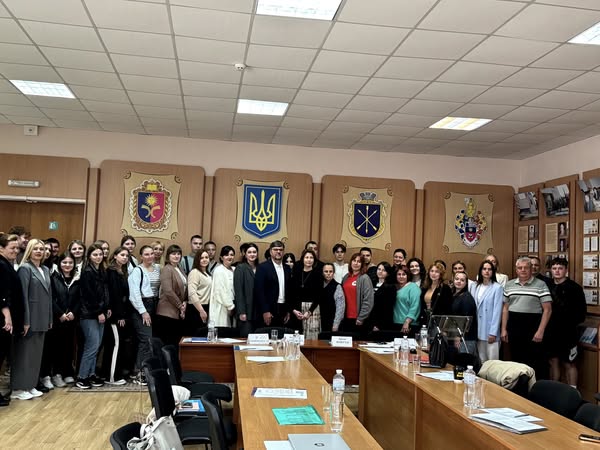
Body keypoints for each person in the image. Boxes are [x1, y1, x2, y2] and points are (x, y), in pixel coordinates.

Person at [12, 239, 52, 400]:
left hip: (42, 317)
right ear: (29, 250)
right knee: (24, 355)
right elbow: (23, 297)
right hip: (30, 318)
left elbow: (49, 296)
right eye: (35, 249)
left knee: (36, 355)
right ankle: (18, 388)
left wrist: (49, 318)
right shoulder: (25, 268)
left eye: (41, 249)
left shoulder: (45, 269)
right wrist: (25, 320)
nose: (39, 251)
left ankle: (30, 385)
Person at [501, 257, 552, 379]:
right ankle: (519, 387)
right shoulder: (509, 285)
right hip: (514, 328)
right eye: (520, 268)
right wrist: (503, 329)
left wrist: (540, 331)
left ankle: (535, 388)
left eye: (526, 267)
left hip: (533, 328)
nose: (523, 270)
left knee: (535, 362)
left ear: (531, 269)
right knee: (516, 361)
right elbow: (505, 309)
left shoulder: (541, 285)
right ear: (516, 270)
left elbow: (548, 310)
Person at [546, 257, 587, 388]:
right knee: (553, 362)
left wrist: (567, 323)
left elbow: (581, 314)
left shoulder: (575, 288)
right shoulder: (547, 286)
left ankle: (573, 393)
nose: (557, 271)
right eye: (554, 268)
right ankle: (553, 392)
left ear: (566, 270)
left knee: (570, 363)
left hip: (568, 333)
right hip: (550, 332)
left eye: (560, 268)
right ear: (551, 270)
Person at [76, 244, 110, 390]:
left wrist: (107, 308)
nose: (98, 257)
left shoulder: (101, 271)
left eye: (100, 254)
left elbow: (104, 292)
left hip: (101, 312)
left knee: (96, 346)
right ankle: (82, 377)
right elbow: (88, 296)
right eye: (95, 254)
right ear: (89, 256)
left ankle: (91, 374)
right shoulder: (87, 272)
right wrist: (98, 312)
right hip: (89, 315)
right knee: (92, 346)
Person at [128, 245, 160, 385]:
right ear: (141, 256)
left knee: (150, 340)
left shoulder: (157, 268)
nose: (150, 256)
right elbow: (134, 294)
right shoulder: (137, 271)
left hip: (153, 304)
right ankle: (139, 373)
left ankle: (147, 371)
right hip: (141, 306)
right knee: (145, 340)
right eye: (146, 254)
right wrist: (143, 311)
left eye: (152, 253)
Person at [48, 252, 80, 387]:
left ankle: (67, 373)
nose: (67, 265)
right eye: (64, 262)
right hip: (58, 319)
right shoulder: (53, 278)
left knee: (69, 347)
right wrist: (60, 314)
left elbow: (80, 298)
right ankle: (56, 374)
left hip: (71, 319)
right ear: (59, 263)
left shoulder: (77, 278)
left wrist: (73, 312)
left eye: (70, 262)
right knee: (57, 347)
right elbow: (50, 298)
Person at [102, 247, 131, 385]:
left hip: (120, 313)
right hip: (115, 316)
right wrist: (119, 316)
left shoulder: (122, 271)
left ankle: (110, 374)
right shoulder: (112, 272)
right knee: (115, 345)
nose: (125, 257)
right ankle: (112, 377)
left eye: (127, 255)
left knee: (115, 344)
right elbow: (115, 295)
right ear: (115, 256)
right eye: (122, 255)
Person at [0, 234, 23, 405]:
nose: (16, 251)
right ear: (1, 248)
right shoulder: (1, 265)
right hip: (3, 318)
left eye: (17, 248)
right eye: (12, 248)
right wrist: (7, 317)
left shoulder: (6, 264)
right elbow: (2, 293)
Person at [469, 260, 503, 362]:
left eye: (489, 269)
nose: (487, 271)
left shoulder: (497, 287)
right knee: (481, 361)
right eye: (484, 269)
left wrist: (493, 332)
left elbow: (497, 311)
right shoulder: (474, 286)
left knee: (492, 362)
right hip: (477, 329)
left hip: (490, 331)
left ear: (493, 271)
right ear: (480, 271)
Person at [155, 245, 187, 347]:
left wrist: (185, 302)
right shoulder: (167, 269)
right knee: (168, 344)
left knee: (175, 342)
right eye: (173, 254)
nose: (176, 256)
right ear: (168, 256)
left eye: (178, 254)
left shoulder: (179, 268)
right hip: (167, 312)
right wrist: (180, 306)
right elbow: (168, 291)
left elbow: (185, 288)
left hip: (177, 310)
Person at [254, 240, 291, 327]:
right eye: (275, 249)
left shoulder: (287, 268)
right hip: (269, 308)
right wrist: (265, 311)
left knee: (281, 333)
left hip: (283, 308)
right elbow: (259, 291)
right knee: (268, 333)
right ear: (270, 252)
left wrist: (288, 310)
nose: (278, 252)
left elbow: (289, 291)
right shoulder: (262, 267)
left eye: (280, 250)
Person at [290, 249, 322, 339]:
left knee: (312, 339)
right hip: (297, 310)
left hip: (313, 309)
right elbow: (291, 294)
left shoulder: (318, 274)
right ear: (302, 259)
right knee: (297, 338)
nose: (309, 260)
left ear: (314, 260)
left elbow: (319, 296)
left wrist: (309, 311)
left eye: (311, 257)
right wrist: (294, 310)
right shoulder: (296, 273)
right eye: (306, 257)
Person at [340, 253, 374, 336]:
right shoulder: (346, 277)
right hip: (345, 317)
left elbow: (368, 300)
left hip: (358, 319)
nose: (356, 263)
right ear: (351, 262)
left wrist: (361, 317)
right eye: (354, 260)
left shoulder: (364, 278)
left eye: (359, 262)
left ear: (362, 264)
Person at [234, 243, 258, 337]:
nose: (252, 254)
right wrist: (241, 311)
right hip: (246, 312)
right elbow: (238, 291)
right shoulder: (240, 268)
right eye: (249, 252)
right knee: (245, 338)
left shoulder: (260, 267)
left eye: (254, 252)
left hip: (257, 312)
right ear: (245, 254)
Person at [313, 263, 345, 333]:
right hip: (319, 322)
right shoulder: (319, 285)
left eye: (330, 271)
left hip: (332, 323)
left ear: (333, 273)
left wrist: (336, 324)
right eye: (326, 271)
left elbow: (340, 309)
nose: (328, 273)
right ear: (322, 273)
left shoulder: (337, 287)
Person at [450, 272, 477, 354]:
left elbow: (466, 320)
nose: (459, 281)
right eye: (457, 279)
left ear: (466, 283)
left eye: (462, 280)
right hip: (455, 335)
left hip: (465, 338)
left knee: (464, 360)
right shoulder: (454, 295)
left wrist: (459, 336)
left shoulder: (466, 298)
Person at [209, 246, 235, 327]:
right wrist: (230, 306)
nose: (229, 257)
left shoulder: (235, 269)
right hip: (223, 305)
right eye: (226, 255)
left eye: (231, 255)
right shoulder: (219, 270)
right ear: (221, 257)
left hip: (234, 305)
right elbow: (220, 291)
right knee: (222, 329)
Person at [187, 249, 211, 333]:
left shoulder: (207, 273)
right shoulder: (195, 272)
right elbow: (192, 293)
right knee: (196, 335)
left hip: (205, 306)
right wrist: (201, 310)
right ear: (197, 259)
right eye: (201, 258)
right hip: (196, 308)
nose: (204, 260)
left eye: (206, 257)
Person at [369, 262, 396, 332]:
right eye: (379, 269)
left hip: (382, 322)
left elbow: (388, 308)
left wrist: (379, 325)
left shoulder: (391, 287)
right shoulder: (372, 283)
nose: (380, 272)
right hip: (370, 320)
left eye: (384, 270)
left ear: (388, 273)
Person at [394, 267, 421, 336]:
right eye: (399, 274)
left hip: (408, 325)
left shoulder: (413, 287)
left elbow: (415, 306)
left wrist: (407, 321)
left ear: (408, 276)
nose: (401, 276)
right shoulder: (394, 287)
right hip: (396, 323)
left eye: (404, 274)